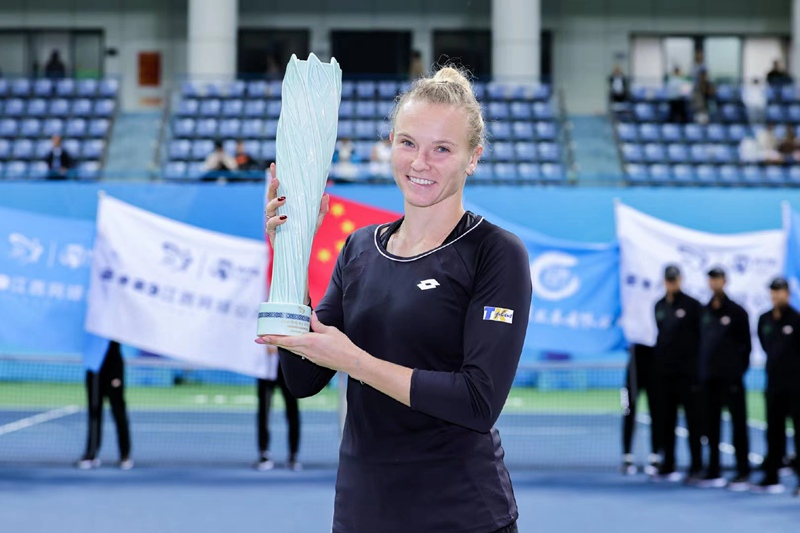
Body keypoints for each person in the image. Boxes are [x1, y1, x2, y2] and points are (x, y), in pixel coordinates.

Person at [257, 66, 531, 532]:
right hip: (362, 514)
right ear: (390, 144)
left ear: (473, 158)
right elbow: (302, 378)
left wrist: (355, 361)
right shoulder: (360, 248)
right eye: (407, 143)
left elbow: (478, 401)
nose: (420, 163)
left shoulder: (495, 252)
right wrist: (291, 249)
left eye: (441, 149)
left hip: (461, 517)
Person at [695, 268, 751, 490]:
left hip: (732, 380)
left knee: (738, 426)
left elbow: (746, 346)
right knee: (710, 426)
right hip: (709, 380)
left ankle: (743, 470)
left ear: (725, 281)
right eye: (711, 279)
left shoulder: (737, 312)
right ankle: (713, 469)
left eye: (718, 278)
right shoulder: (704, 312)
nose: (715, 282)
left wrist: (736, 372)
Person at [652, 265, 703, 482]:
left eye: (674, 279)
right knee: (666, 421)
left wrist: (697, 370)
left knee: (694, 421)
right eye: (668, 280)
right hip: (665, 374)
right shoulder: (659, 306)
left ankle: (696, 465)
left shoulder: (693, 306)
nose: (671, 283)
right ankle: (668, 464)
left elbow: (700, 339)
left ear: (680, 280)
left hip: (688, 375)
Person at [754, 277, 800, 496]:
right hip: (773, 384)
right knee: (773, 431)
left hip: (796, 386)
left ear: (787, 293)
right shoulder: (764, 319)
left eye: (779, 291)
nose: (776, 295)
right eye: (773, 291)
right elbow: (765, 346)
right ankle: (771, 475)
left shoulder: (797, 319)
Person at [75, 340, 133, 470]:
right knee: (94, 412)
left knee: (119, 412)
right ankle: (91, 454)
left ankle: (125, 456)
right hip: (94, 370)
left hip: (113, 369)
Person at [255, 346, 301, 471]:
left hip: (287, 368)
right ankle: (264, 454)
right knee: (264, 411)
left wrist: (279, 347)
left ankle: (293, 455)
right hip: (266, 368)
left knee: (292, 411)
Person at [621, 343, 662, 476]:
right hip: (633, 370)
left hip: (654, 368)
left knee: (657, 414)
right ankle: (627, 457)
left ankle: (655, 457)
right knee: (627, 412)